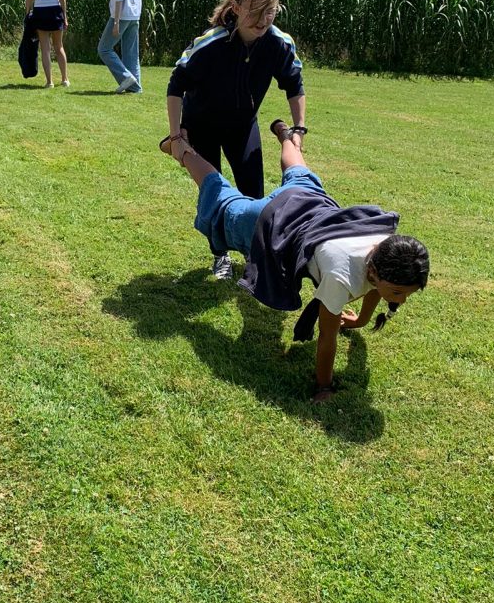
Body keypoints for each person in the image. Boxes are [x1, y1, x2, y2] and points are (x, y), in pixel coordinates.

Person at [163, 119, 429, 403]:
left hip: (309, 201)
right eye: (399, 293)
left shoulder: (385, 244)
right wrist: (324, 387)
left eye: (406, 294)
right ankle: (182, 149)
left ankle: (288, 137)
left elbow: (377, 287)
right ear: (374, 269)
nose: (400, 301)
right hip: (274, 218)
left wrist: (360, 321)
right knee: (222, 198)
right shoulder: (342, 276)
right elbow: (327, 338)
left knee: (298, 172)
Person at [166, 0, 305, 280]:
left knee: (254, 195)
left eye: (269, 12)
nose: (262, 20)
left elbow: (294, 85)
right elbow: (175, 85)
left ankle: (254, 256)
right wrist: (176, 136)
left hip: (243, 127)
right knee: (214, 194)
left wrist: (299, 128)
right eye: (255, 12)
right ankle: (220, 256)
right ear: (238, 7)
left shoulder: (278, 44)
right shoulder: (210, 44)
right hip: (200, 126)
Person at [97, 0, 143, 93]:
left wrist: (116, 22)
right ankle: (135, 88)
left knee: (104, 49)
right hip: (134, 15)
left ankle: (125, 78)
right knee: (131, 53)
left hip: (121, 15)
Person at [25, 0, 69, 88]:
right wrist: (65, 16)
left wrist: (27, 12)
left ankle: (49, 81)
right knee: (59, 46)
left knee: (45, 48)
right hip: (55, 10)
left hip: (40, 10)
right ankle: (64, 79)